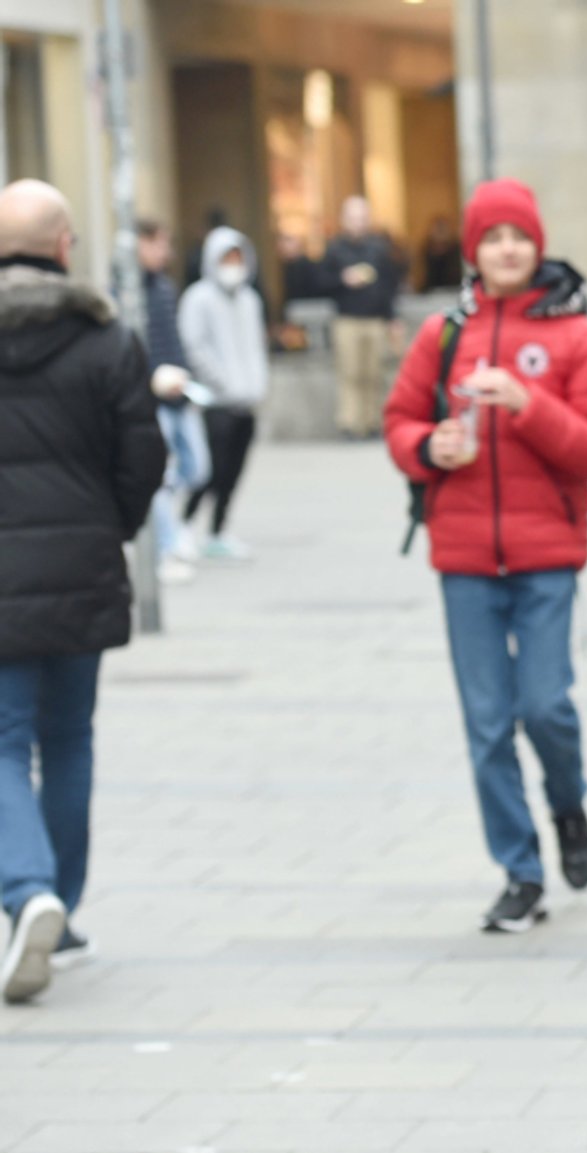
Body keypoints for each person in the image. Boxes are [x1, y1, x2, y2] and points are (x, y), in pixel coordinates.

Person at [384, 178, 587, 933]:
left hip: (546, 552)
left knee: (545, 705)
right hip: (462, 558)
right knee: (488, 723)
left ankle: (568, 804)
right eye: (492, 238)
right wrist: (431, 446)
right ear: (473, 251)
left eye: (518, 235)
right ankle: (520, 871)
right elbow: (397, 422)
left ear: (537, 243)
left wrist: (529, 404)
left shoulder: (573, 336)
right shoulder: (441, 336)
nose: (507, 249)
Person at [0, 180, 164, 1003]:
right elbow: (144, 460)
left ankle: (27, 891)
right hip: (83, 570)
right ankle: (57, 908)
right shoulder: (108, 342)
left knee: (2, 741)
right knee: (68, 740)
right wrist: (111, 526)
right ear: (64, 244)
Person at [177, 227, 268, 563]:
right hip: (215, 403)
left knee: (233, 472)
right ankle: (184, 526)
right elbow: (194, 346)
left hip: (247, 400)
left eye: (238, 257)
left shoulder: (249, 300)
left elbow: (256, 349)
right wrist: (222, 384)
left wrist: (258, 385)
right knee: (208, 470)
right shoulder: (198, 298)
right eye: (227, 258)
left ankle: (218, 530)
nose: (233, 264)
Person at [135, 220, 210, 584]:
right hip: (149, 395)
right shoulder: (127, 290)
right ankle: (167, 544)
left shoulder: (165, 288)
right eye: (158, 245)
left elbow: (173, 340)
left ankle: (171, 525)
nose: (164, 253)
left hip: (179, 391)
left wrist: (186, 379)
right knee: (159, 476)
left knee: (197, 468)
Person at [326, 196, 401, 439]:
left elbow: (390, 285)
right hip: (347, 319)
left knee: (373, 373)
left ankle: (372, 422)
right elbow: (318, 282)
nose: (357, 223)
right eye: (352, 218)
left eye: (362, 218)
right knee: (350, 373)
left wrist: (392, 319)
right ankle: (350, 423)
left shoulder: (379, 248)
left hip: (375, 319)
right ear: (344, 220)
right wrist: (342, 279)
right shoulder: (334, 249)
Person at [418, 216, 464, 291]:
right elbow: (423, 277)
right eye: (438, 230)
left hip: (453, 291)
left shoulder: (456, 251)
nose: (440, 234)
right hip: (430, 294)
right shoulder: (426, 251)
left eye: (442, 230)